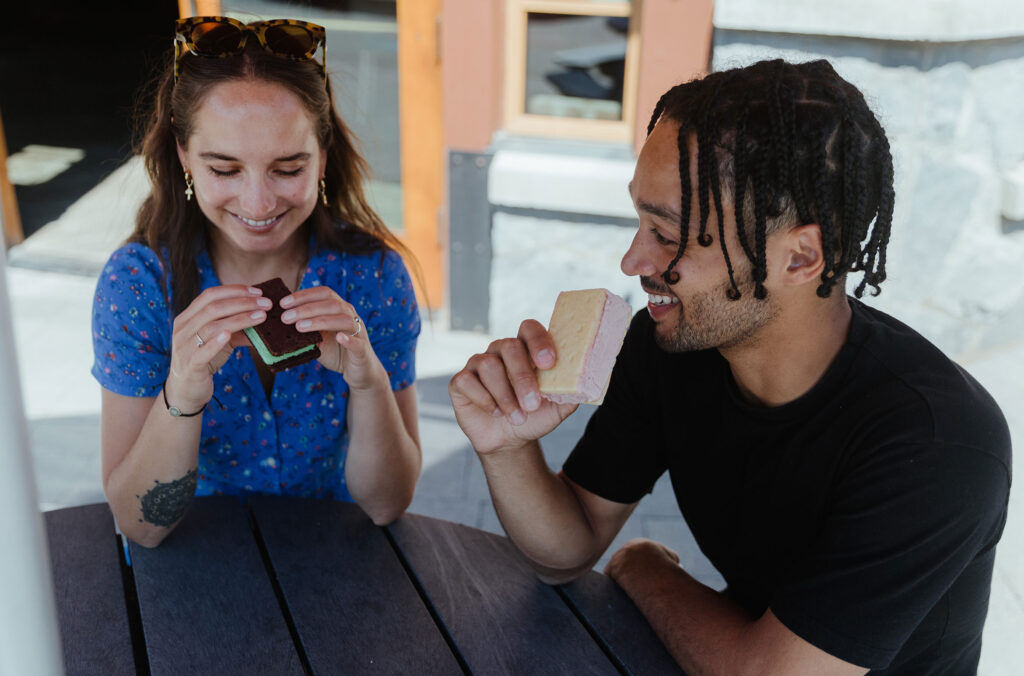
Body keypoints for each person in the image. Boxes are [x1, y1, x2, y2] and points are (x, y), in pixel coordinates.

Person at [450, 58, 1011, 674]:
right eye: (640, 221)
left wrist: (642, 566)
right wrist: (506, 448)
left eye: (668, 234)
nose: (633, 260)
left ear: (799, 258)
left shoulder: (938, 441)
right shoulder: (671, 345)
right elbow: (566, 548)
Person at [92, 17, 422, 547]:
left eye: (287, 168)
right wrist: (182, 392)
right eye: (224, 169)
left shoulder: (375, 277)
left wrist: (369, 383)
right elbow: (140, 527)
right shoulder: (138, 286)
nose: (259, 204)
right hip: (195, 562)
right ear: (184, 158)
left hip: (331, 559)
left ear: (323, 156)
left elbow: (386, 505)